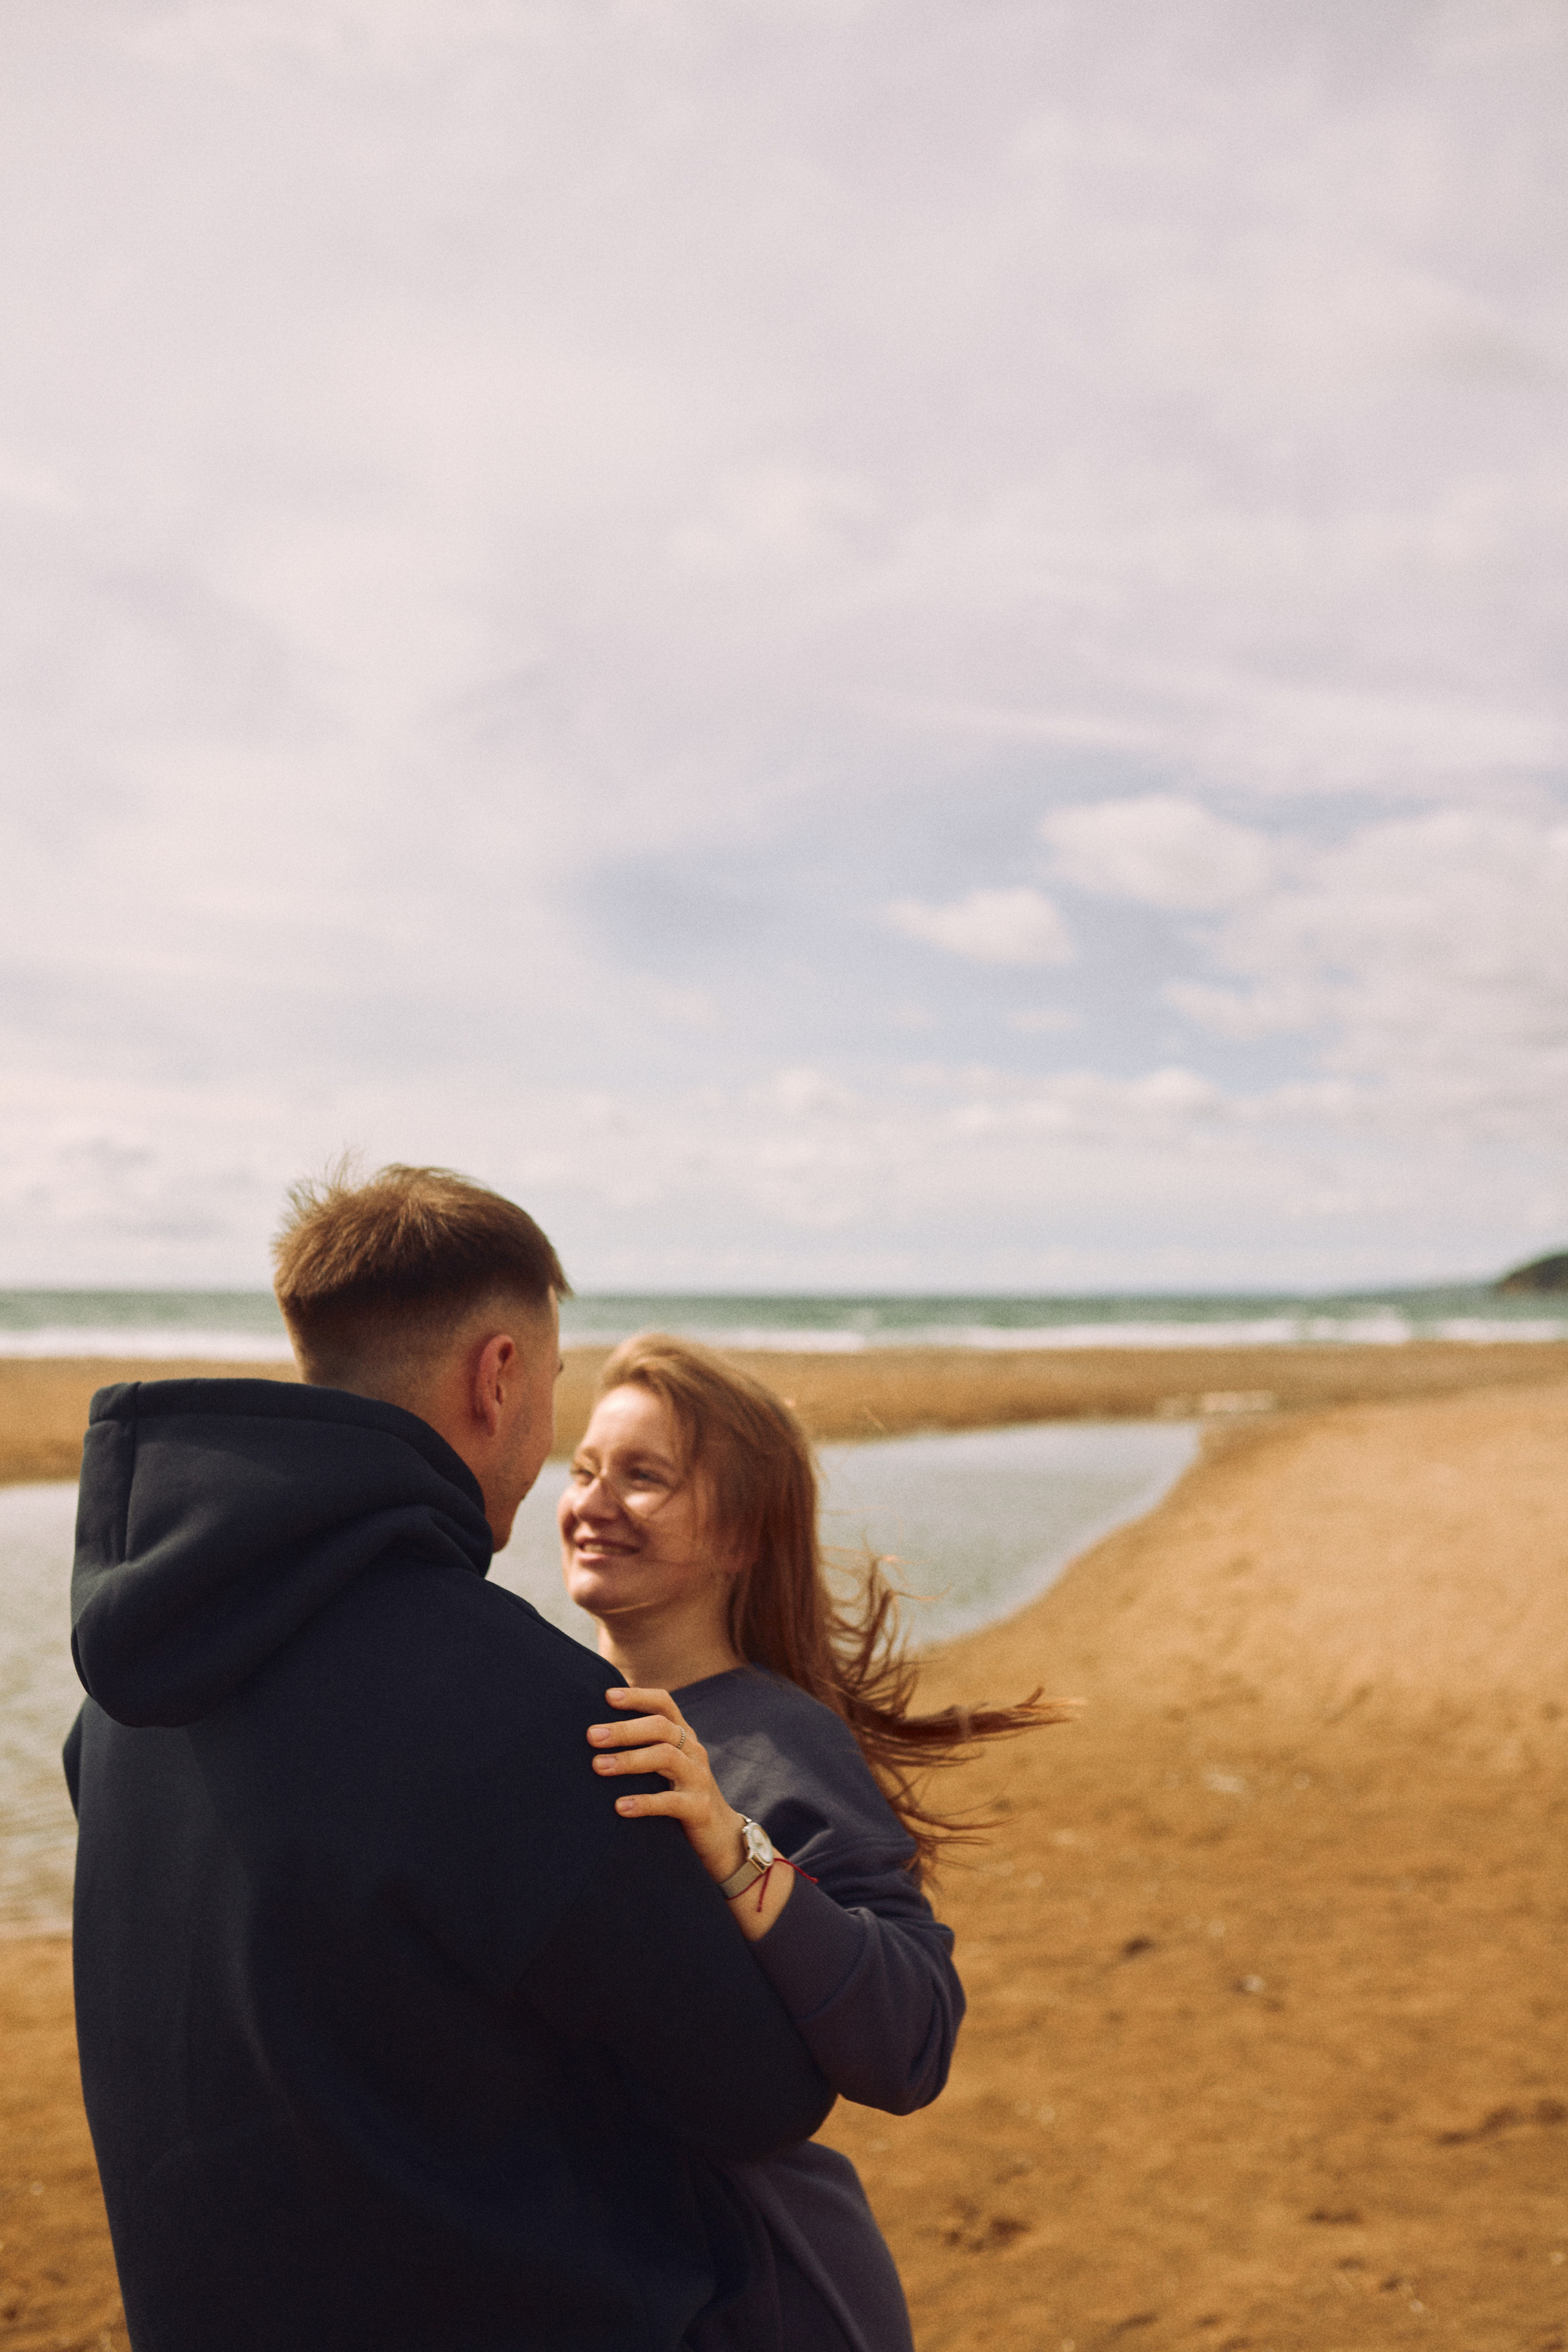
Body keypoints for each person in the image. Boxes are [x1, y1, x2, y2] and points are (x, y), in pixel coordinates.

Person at [65, 1166, 832, 2352]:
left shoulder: (122, 1696)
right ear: (498, 1376)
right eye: (553, 1386)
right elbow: (761, 2093)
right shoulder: (535, 1712)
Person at [557, 1333, 1069, 2352]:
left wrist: (732, 1846)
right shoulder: (563, 1717)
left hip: (768, 2293)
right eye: (582, 1469)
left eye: (644, 1477)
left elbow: (913, 2042)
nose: (593, 1503)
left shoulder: (778, 1740)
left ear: (742, 1539)